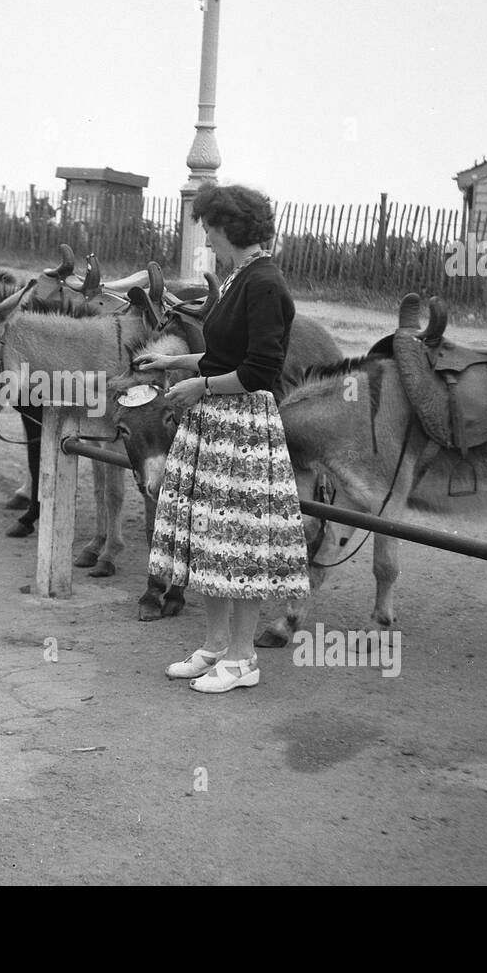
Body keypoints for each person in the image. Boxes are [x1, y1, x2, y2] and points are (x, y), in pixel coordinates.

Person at [134, 183, 310, 693]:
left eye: (209, 227)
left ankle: (243, 658)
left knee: (242, 544)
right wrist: (173, 362)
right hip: (216, 424)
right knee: (211, 539)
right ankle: (214, 646)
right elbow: (225, 354)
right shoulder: (240, 277)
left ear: (229, 228)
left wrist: (200, 386)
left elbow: (259, 371)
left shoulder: (265, 283)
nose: (205, 237)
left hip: (245, 433)